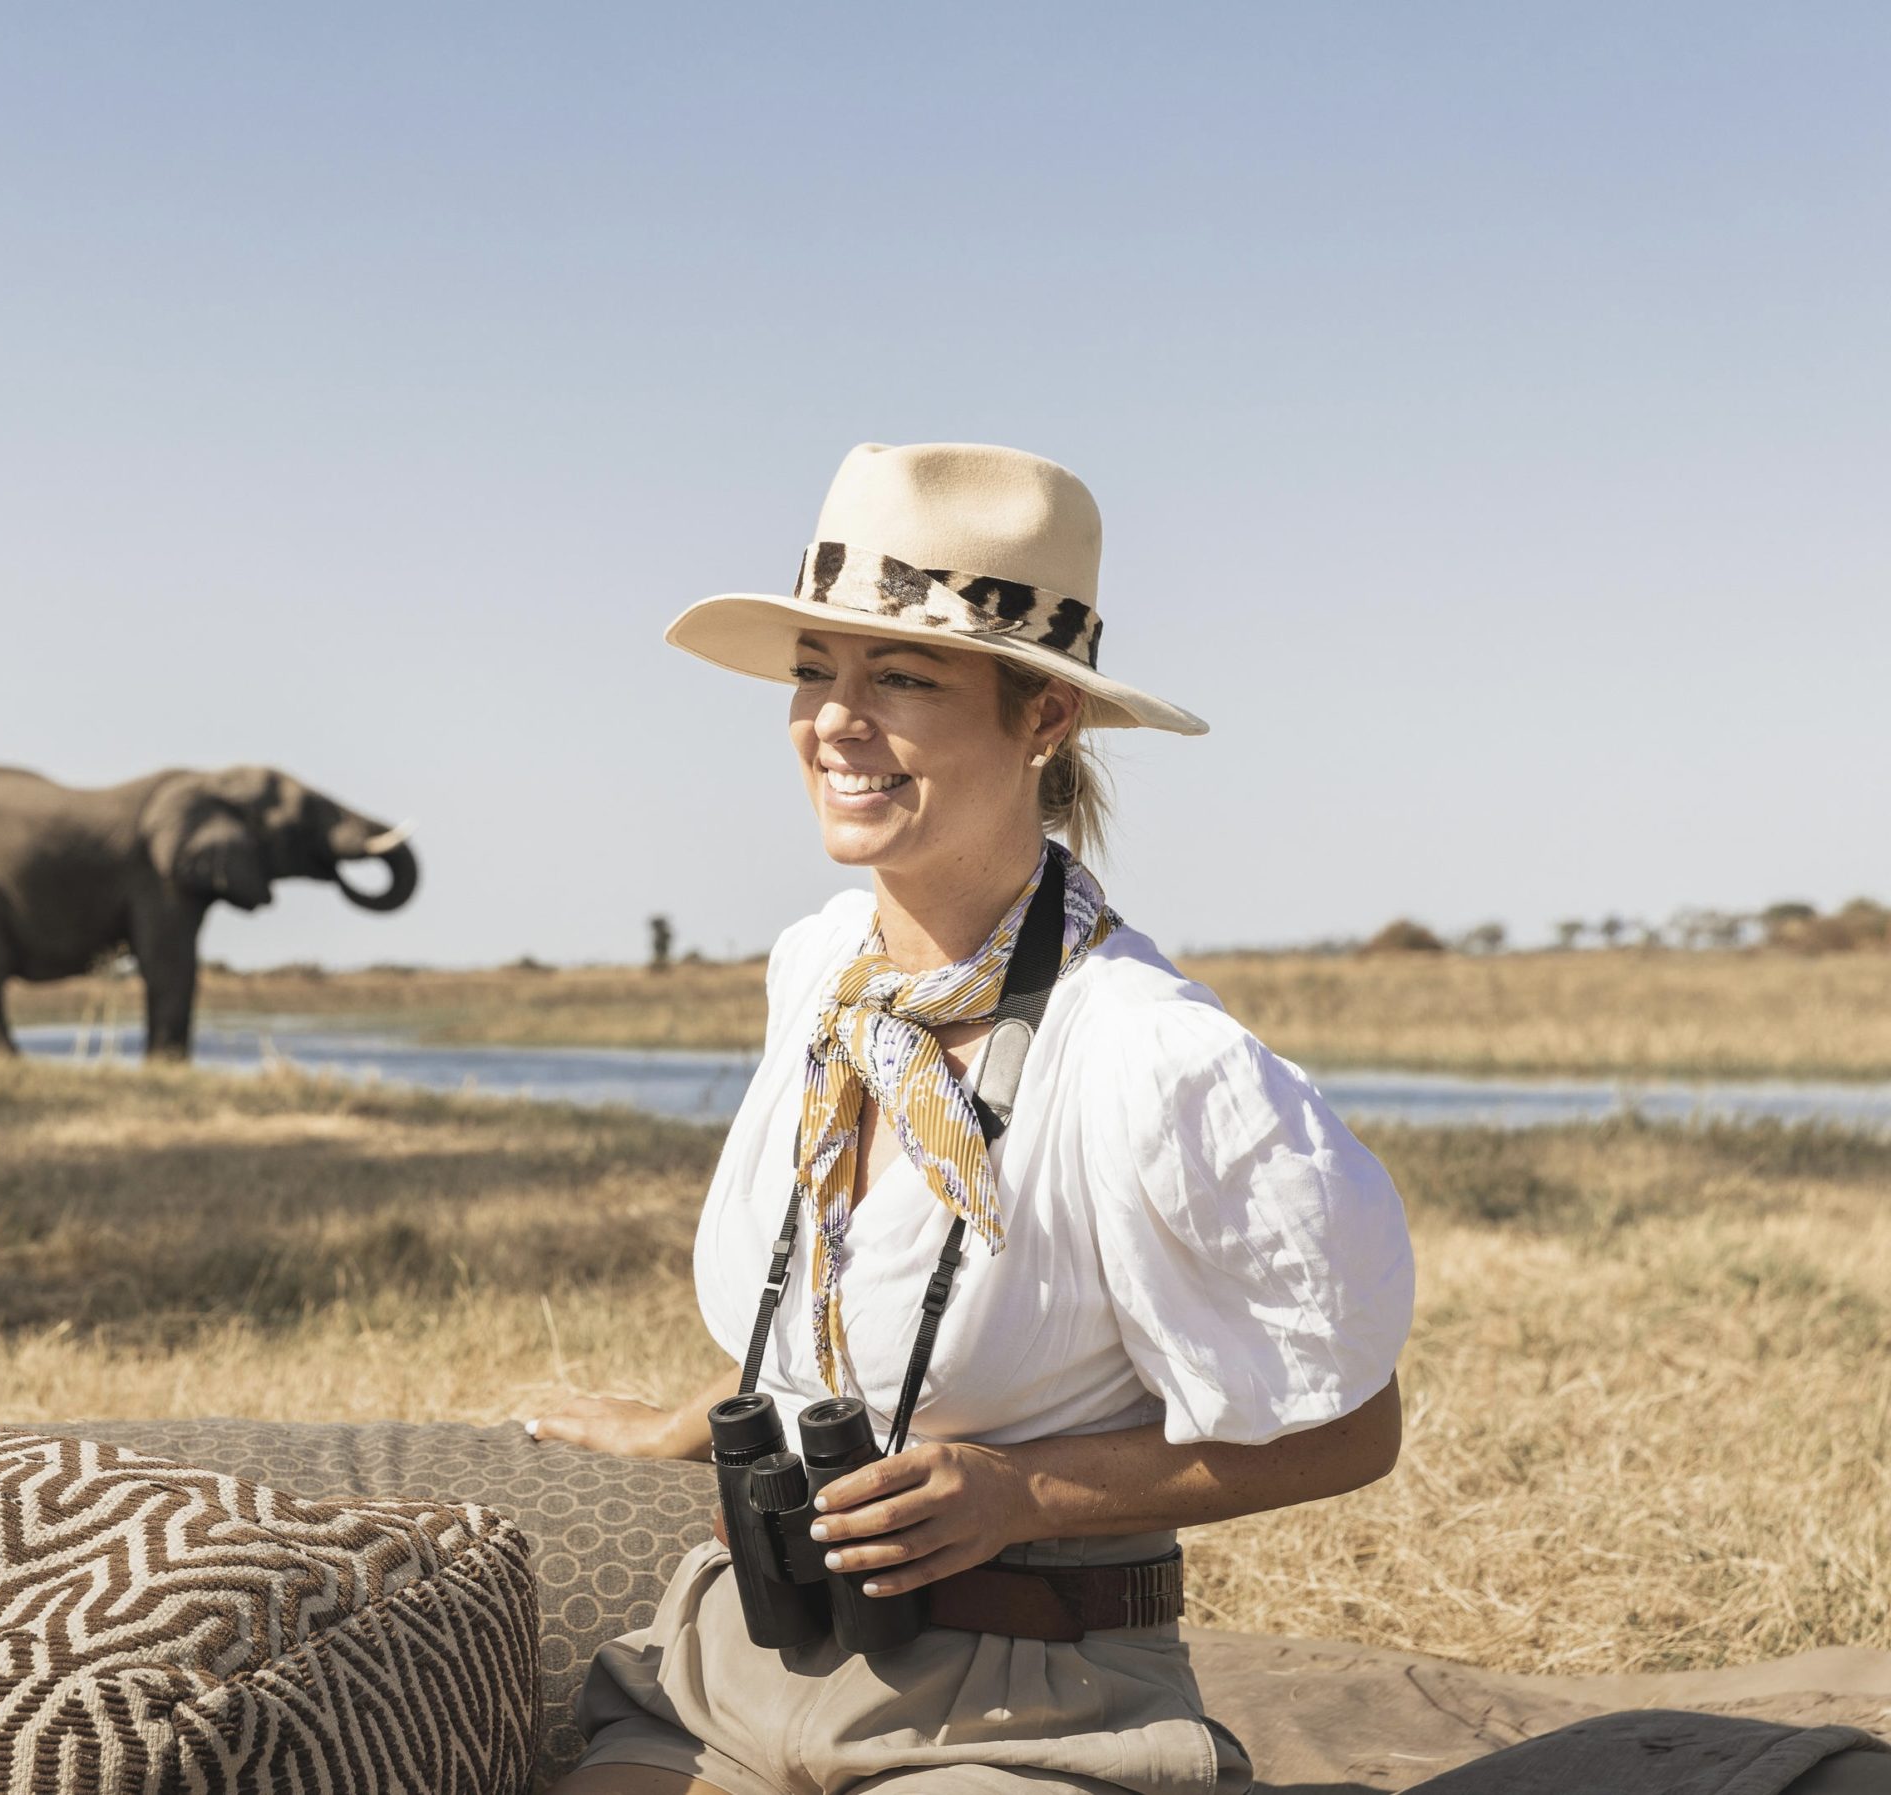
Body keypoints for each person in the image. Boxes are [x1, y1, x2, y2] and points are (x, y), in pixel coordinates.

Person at [531, 442, 1416, 1795]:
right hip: (716, 1675)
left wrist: (1019, 1493)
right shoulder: (822, 973)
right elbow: (865, 1306)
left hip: (1027, 1710)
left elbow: (1352, 1427)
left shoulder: (1153, 1058)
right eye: (814, 673)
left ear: (1044, 717)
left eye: (901, 678)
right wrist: (713, 1412)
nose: (834, 720)